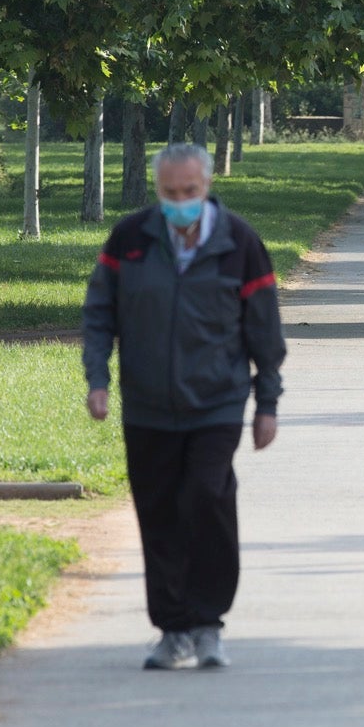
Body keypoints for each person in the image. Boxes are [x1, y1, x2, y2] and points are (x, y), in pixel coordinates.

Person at [82, 143, 286, 670]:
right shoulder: (131, 238)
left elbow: (264, 331)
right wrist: (98, 378)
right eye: (170, 193)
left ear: (207, 186)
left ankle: (208, 623)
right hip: (148, 404)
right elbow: (101, 311)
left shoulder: (239, 242)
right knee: (159, 511)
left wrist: (267, 402)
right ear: (158, 190)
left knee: (205, 496)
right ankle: (173, 630)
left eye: (189, 192)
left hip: (216, 402)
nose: (180, 202)